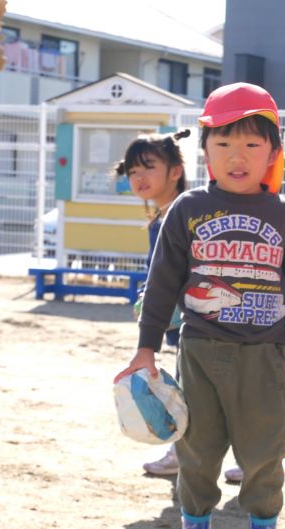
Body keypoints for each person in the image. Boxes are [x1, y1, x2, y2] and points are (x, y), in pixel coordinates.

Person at [114, 82, 285, 529]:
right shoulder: (187, 209)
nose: (237, 156)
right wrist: (146, 347)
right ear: (205, 150)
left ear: (273, 153)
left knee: (265, 453)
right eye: (224, 143)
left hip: (266, 355)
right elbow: (162, 282)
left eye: (252, 144)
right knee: (197, 451)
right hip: (201, 352)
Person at [115, 130, 191, 478]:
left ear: (175, 171)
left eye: (148, 167)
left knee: (202, 391)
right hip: (179, 323)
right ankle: (181, 452)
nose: (139, 177)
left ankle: (188, 454)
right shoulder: (161, 217)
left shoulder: (183, 214)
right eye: (132, 171)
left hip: (195, 321)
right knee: (190, 387)